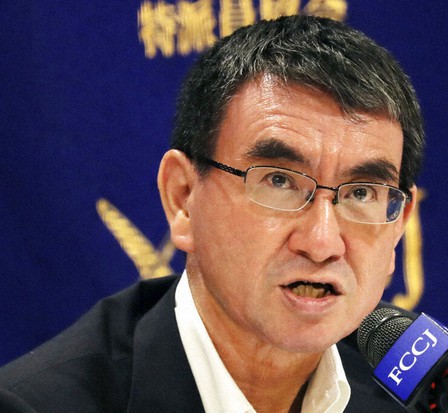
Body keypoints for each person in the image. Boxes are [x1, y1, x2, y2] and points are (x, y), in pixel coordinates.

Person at [0, 15, 425, 412]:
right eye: (279, 181)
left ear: (398, 228)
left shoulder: (431, 391)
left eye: (362, 192)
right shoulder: (38, 405)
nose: (321, 243)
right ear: (183, 198)